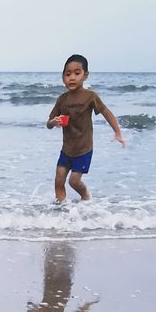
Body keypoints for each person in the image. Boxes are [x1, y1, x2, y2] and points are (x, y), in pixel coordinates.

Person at [46, 54, 125, 202]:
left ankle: (86, 197)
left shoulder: (90, 96)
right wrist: (53, 122)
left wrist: (118, 132)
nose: (72, 77)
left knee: (73, 181)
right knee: (58, 181)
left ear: (85, 75)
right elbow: (49, 123)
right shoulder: (62, 99)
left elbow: (106, 112)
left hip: (83, 149)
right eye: (67, 74)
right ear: (63, 78)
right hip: (67, 149)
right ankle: (61, 209)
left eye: (77, 73)